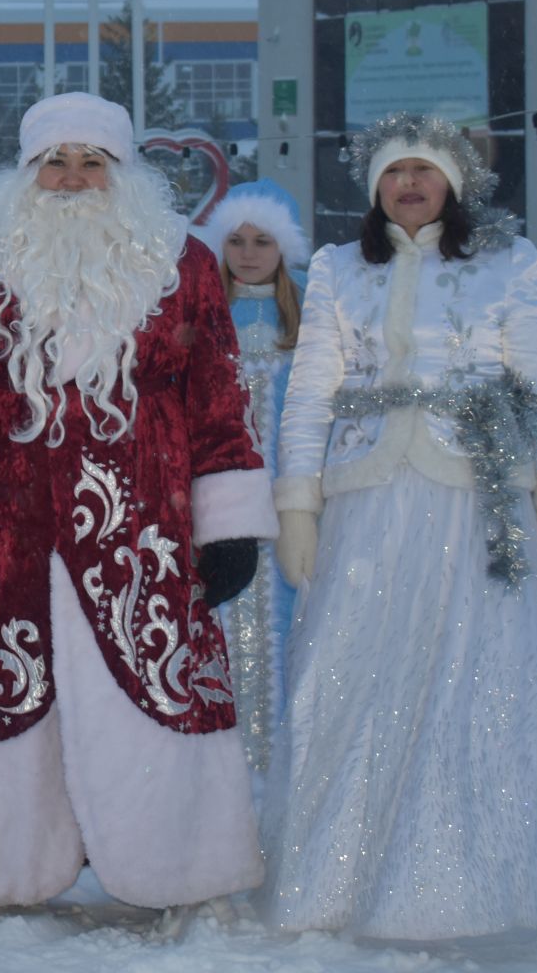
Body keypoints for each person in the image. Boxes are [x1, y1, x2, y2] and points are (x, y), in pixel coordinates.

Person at [0, 92, 275, 913]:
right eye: (55, 163)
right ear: (27, 169)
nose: (72, 181)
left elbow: (218, 392)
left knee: (154, 681)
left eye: (93, 163)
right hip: (3, 519)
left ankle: (177, 859)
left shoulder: (183, 263)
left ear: (124, 172)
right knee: (2, 680)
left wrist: (228, 526)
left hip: (144, 524)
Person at [260, 115, 537, 945]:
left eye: (423, 172)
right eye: (393, 174)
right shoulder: (340, 269)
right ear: (375, 188)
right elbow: (309, 396)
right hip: (369, 499)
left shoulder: (508, 262)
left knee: (481, 680)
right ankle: (335, 879)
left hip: (482, 499)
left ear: (452, 186)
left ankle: (486, 884)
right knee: (361, 675)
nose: (408, 185)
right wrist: (298, 506)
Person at [194, 180, 312, 772]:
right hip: (221, 506)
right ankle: (224, 769)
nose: (247, 252)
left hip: (293, 504)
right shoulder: (203, 311)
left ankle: (289, 769)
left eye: (262, 240)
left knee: (292, 629)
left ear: (284, 247)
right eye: (235, 240)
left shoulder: (315, 315)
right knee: (223, 628)